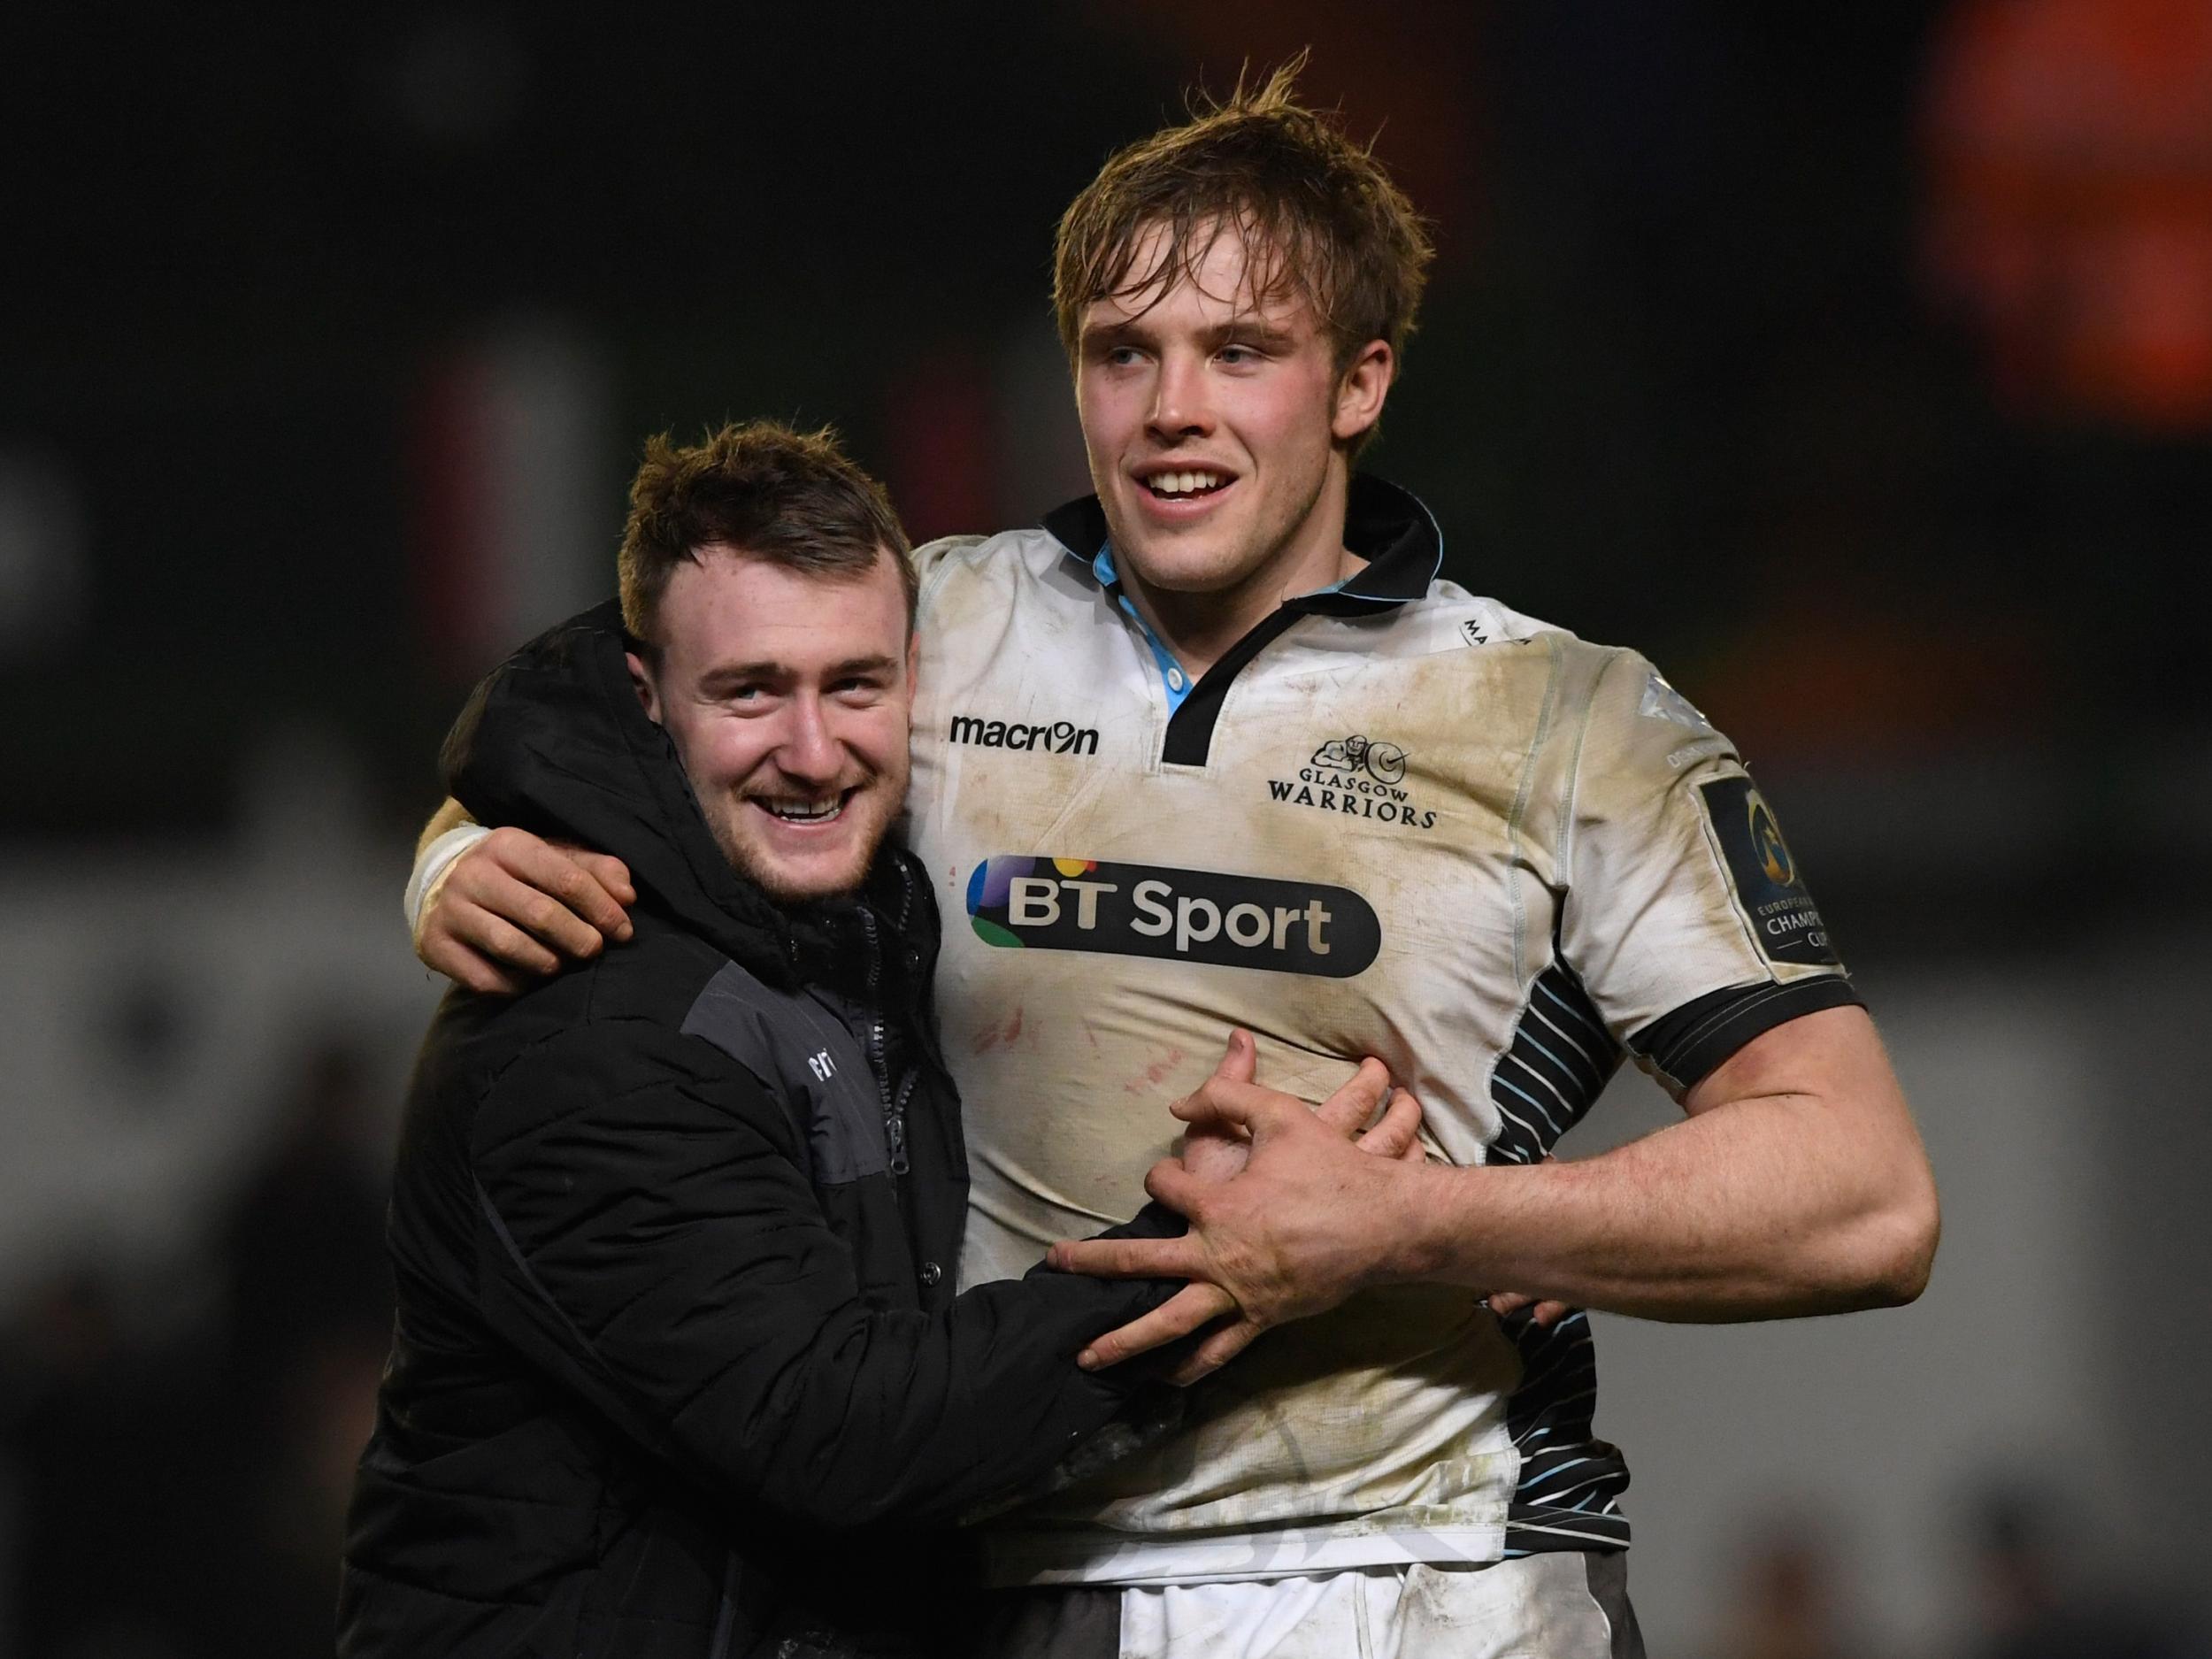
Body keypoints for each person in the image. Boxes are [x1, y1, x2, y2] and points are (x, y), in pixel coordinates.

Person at [411, 65, 1939, 1659]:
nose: (1172, 409)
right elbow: (612, 712)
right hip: (996, 1582)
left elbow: (1863, 1196)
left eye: (1241, 352)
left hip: (1436, 1575)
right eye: (1121, 353)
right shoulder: (931, 622)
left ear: (1361, 383)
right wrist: (453, 854)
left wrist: (1429, 1227)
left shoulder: (1569, 718)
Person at [341, 421, 1424, 1658]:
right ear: (649, 699)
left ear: (918, 679)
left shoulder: (866, 925)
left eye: (853, 686)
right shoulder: (585, 1023)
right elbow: (838, 1431)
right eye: (751, 691)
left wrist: (1451, 1222)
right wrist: (1221, 1256)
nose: (812, 752)